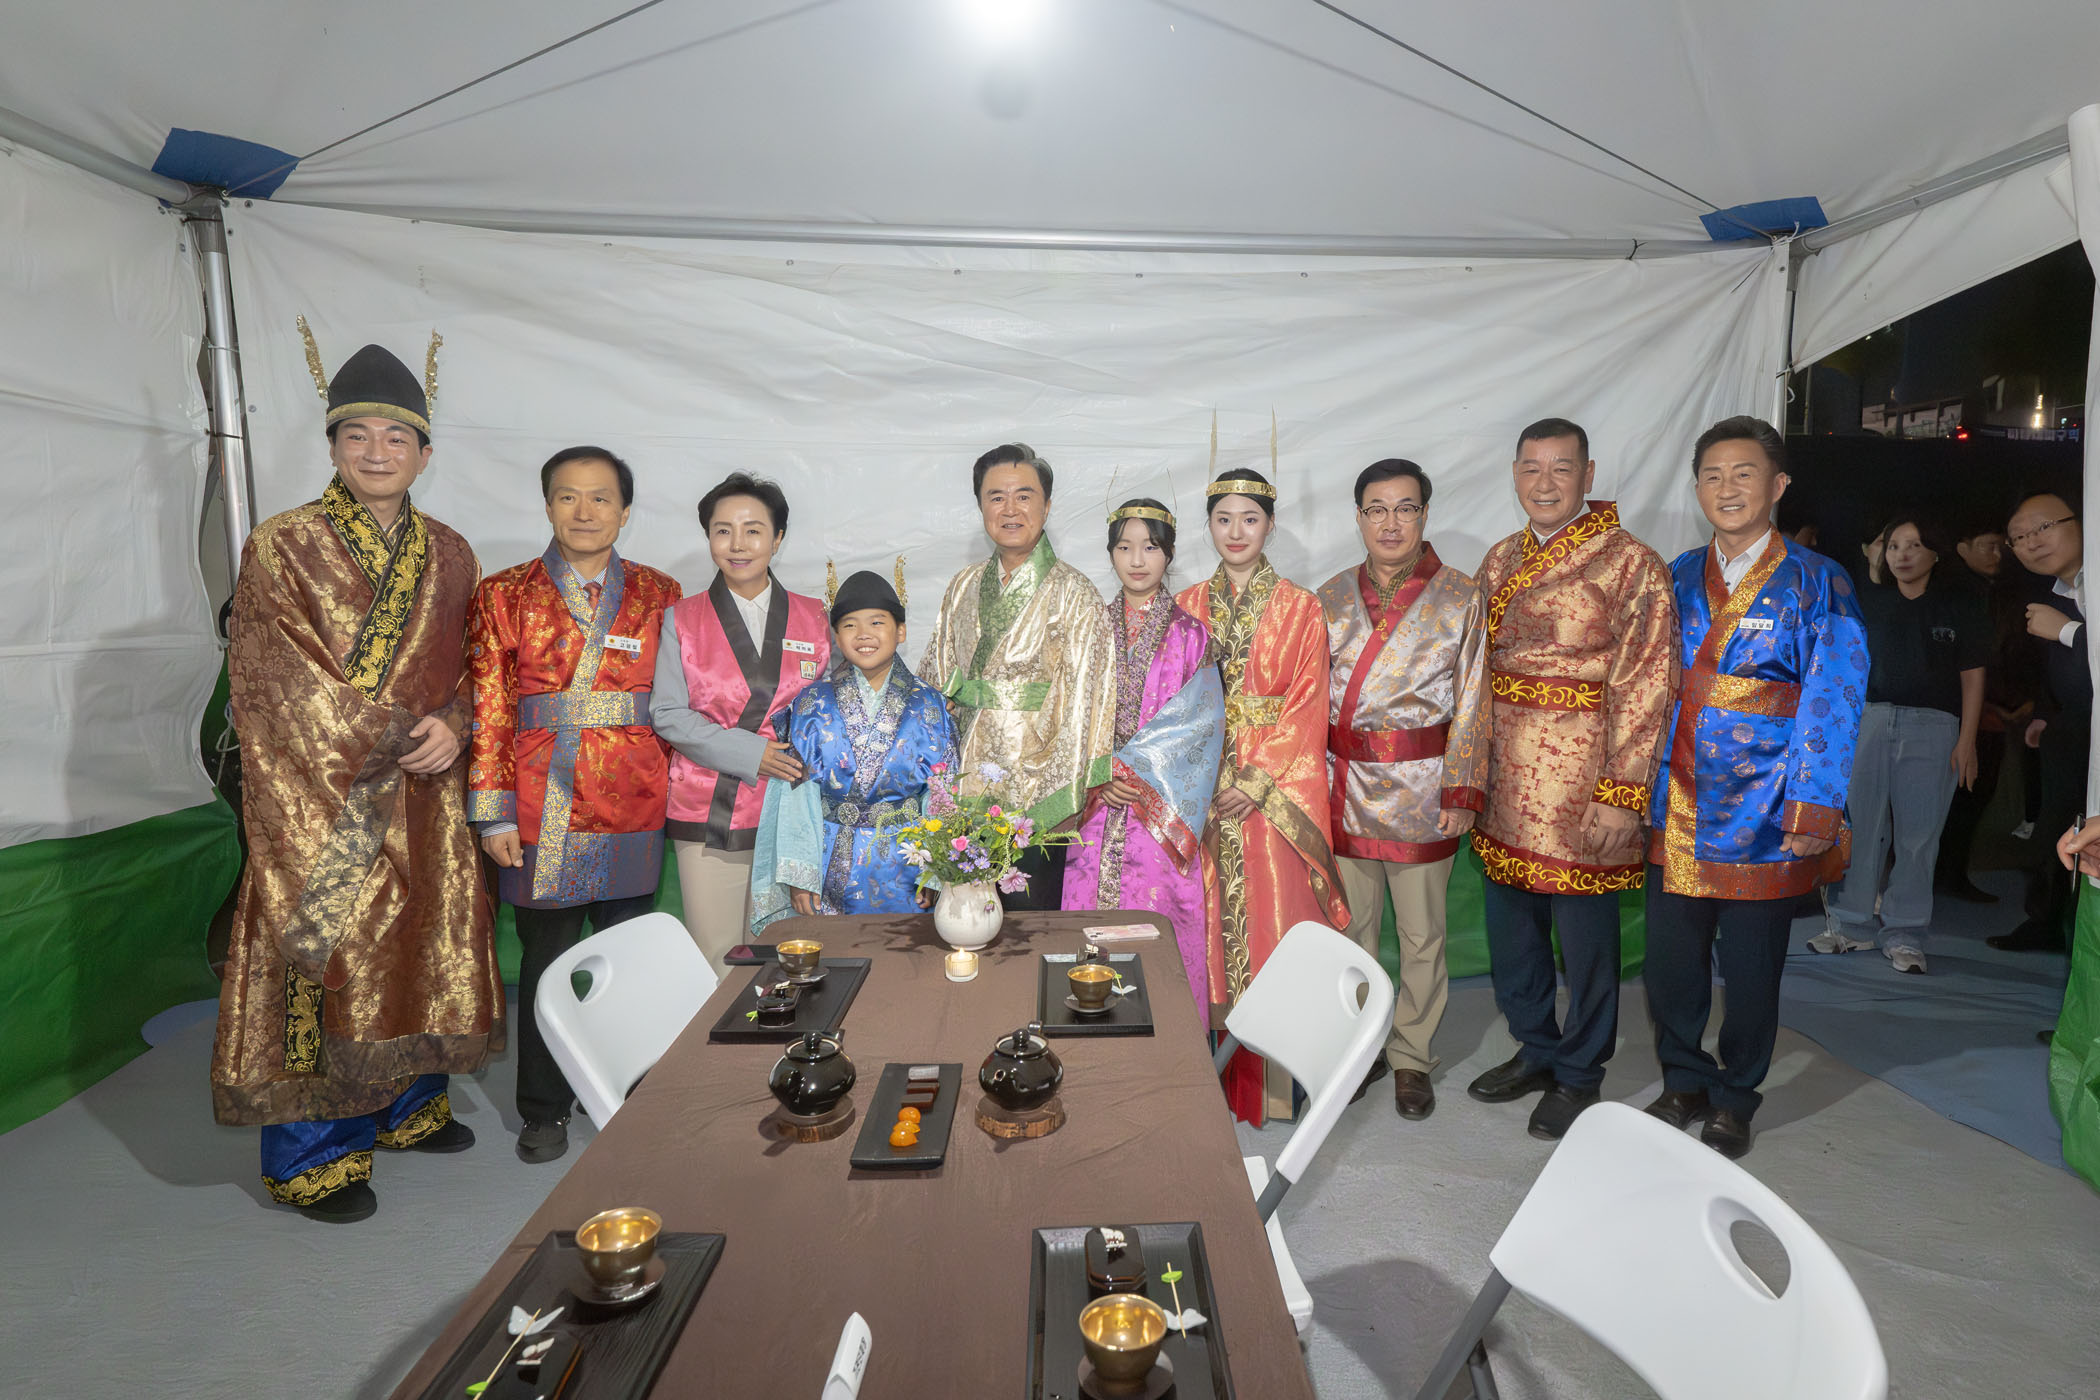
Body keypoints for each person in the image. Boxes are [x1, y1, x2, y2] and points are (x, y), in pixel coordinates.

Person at [211, 332, 501, 1221]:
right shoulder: (280, 545)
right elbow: (275, 681)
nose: (378, 452)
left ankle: (410, 1104)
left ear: (425, 453)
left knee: (421, 946)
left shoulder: (452, 552)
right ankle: (317, 1152)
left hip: (429, 789)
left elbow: (477, 665)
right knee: (327, 952)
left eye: (396, 437)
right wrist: (396, 732)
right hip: (324, 798)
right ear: (333, 445)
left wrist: (457, 724)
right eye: (358, 435)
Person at [1643, 418, 1869, 1158]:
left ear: (1777, 485)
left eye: (1744, 473)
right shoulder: (1676, 574)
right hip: (1677, 796)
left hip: (1768, 804)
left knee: (1750, 968)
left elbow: (1835, 699)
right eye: (1712, 475)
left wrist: (1814, 806)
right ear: (1696, 488)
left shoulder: (1820, 579)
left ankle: (1736, 1095)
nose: (1727, 488)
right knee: (1671, 963)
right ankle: (1682, 1078)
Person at [467, 446, 682, 1163]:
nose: (584, 512)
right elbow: (489, 707)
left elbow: (678, 703)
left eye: (600, 498)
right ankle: (544, 1107)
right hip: (539, 807)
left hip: (636, 801)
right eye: (568, 497)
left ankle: (628, 1090)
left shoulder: (660, 592)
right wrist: (493, 812)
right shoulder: (504, 593)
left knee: (628, 960)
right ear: (547, 505)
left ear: (625, 510)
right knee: (548, 962)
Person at [1466, 418, 1677, 1141]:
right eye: (1531, 468)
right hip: (1505, 776)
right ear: (1514, 475)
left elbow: (1647, 684)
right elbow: (1474, 672)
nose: (1545, 482)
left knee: (1585, 940)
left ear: (1589, 475)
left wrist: (1622, 794)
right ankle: (1536, 1046)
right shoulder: (1501, 558)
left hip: (1584, 781)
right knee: (1512, 928)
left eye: (1562, 468)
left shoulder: (1632, 563)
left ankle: (1581, 1072)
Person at [1177, 465, 1351, 1125]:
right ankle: (1209, 1078)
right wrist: (1202, 778)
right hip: (1204, 786)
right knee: (1205, 926)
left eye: (1249, 519)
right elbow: (1175, 704)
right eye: (1224, 519)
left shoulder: (1301, 607)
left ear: (1270, 526)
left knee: (1275, 920)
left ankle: (1277, 1088)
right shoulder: (1187, 603)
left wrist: (1253, 781)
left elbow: (1308, 704)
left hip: (1271, 791)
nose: (1236, 531)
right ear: (1209, 526)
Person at [1318, 459, 1488, 1121]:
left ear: (1424, 514)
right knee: (1351, 931)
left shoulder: (1461, 595)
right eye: (1377, 509)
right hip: (1344, 786)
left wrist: (1461, 791)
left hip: (1424, 789)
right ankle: (1359, 1047)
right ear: (1359, 517)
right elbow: (1309, 703)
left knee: (1422, 934)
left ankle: (1412, 1053)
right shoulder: (1330, 596)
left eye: (1405, 508)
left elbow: (1474, 700)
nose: (1391, 523)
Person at [920, 444, 1116, 909]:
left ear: (1046, 506)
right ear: (980, 507)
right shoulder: (963, 586)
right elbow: (935, 681)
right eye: (996, 497)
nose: (1010, 509)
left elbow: (1086, 704)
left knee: (1029, 925)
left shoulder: (1076, 593)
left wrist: (1061, 795)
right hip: (965, 780)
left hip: (1037, 784)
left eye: (1024, 496)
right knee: (962, 916)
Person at [651, 473, 830, 971]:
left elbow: (834, 710)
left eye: (753, 530)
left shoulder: (816, 617)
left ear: (777, 538)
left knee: (792, 958)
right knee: (719, 959)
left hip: (793, 810)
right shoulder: (682, 618)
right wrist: (754, 754)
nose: (737, 544)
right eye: (722, 530)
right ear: (708, 537)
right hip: (711, 810)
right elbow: (667, 713)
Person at [1061, 499, 1226, 1002]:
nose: (1137, 560)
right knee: (1085, 933)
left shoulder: (1193, 635)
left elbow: (1200, 730)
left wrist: (1130, 772)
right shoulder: (1085, 630)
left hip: (1158, 813)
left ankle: (1172, 1042)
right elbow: (1065, 717)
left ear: (1169, 553)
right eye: (1124, 547)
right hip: (1095, 808)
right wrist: (1098, 774)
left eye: (1150, 547)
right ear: (1110, 553)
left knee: (1158, 937)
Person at [1810, 516, 1985, 973]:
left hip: (1934, 726)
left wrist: (1967, 741)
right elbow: (1842, 668)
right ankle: (1851, 924)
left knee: (1919, 836)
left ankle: (1905, 932)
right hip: (1869, 720)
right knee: (1862, 827)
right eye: (1893, 546)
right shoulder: (1868, 602)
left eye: (1914, 545)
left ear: (1936, 553)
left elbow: (1972, 677)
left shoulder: (1958, 605)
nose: (1902, 555)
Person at [747, 565, 957, 927]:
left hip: (910, 863)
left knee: (909, 952)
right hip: (828, 859)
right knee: (833, 952)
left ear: (901, 630)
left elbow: (944, 792)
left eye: (877, 622)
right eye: (849, 625)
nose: (863, 634)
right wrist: (800, 875)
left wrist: (937, 870)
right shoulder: (810, 705)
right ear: (836, 637)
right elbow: (796, 794)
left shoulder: (931, 705)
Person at [1990, 491, 2088, 953]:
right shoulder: (2057, 596)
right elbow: (2062, 669)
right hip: (2071, 729)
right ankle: (2047, 923)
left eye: (2043, 527)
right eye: (2019, 538)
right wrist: (2045, 715)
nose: (2031, 542)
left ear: (2081, 522)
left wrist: (2066, 631)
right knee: (2055, 828)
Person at [1935, 521, 2027, 904]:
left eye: (2003, 545)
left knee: (1973, 797)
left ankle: (1950, 873)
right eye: (1988, 545)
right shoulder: (1958, 595)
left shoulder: (1997, 591)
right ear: (1962, 548)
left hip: (1997, 710)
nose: (1998, 553)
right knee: (1961, 796)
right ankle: (1945, 875)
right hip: (1969, 712)